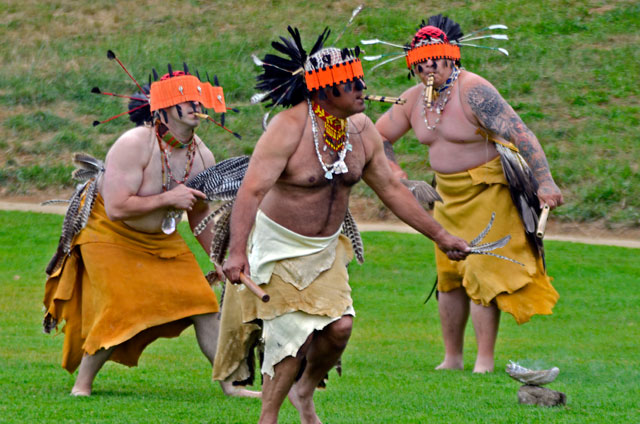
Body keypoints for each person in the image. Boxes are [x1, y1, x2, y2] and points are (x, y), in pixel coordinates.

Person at [218, 27, 469, 424]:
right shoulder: (288, 129)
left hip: (325, 250)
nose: (362, 88)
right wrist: (236, 253)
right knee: (290, 340)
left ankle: (305, 391)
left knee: (340, 330)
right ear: (324, 90)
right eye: (350, 83)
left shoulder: (362, 130)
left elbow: (391, 189)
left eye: (360, 79)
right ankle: (268, 418)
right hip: (279, 247)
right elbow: (250, 192)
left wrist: (442, 236)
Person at [42, 65, 250, 397]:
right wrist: (169, 197)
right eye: (189, 101)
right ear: (165, 108)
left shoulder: (202, 155)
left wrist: (220, 259)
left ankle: (232, 386)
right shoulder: (134, 144)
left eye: (200, 101)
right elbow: (117, 207)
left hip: (160, 239)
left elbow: (199, 216)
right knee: (122, 305)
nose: (199, 107)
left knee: (203, 303)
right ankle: (82, 386)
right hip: (108, 234)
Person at [374, 15, 564, 373]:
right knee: (449, 276)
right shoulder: (413, 100)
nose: (429, 67)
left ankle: (484, 361)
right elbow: (378, 136)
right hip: (447, 196)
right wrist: (394, 170)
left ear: (452, 57)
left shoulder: (475, 90)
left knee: (481, 273)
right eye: (420, 62)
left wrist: (546, 181)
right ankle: (452, 358)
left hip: (488, 190)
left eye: (435, 59)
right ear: (412, 66)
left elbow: (519, 132)